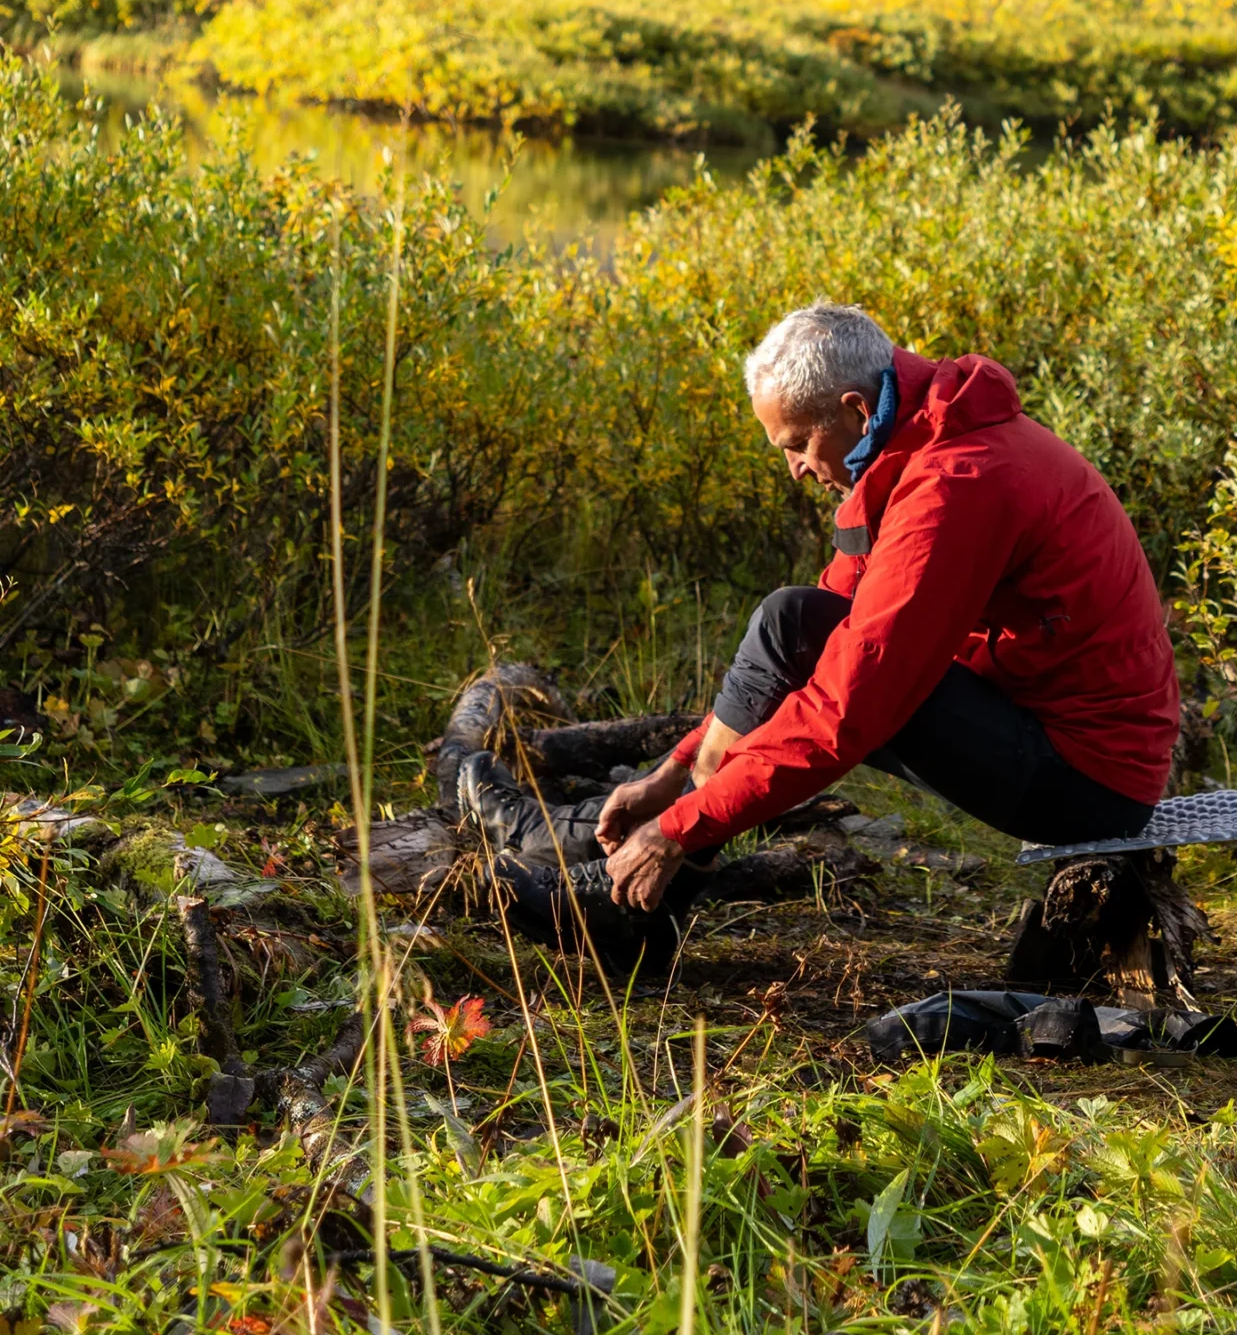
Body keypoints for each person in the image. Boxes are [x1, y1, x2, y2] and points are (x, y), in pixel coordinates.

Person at [458, 301, 1178, 938]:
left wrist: (680, 827)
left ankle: (640, 906)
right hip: (1041, 731)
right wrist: (672, 775)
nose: (797, 469)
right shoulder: (911, 448)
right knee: (792, 619)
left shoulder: (954, 485)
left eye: (798, 445)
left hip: (1087, 784)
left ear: (856, 412)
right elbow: (801, 647)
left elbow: (847, 706)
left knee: (799, 632)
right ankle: (622, 878)